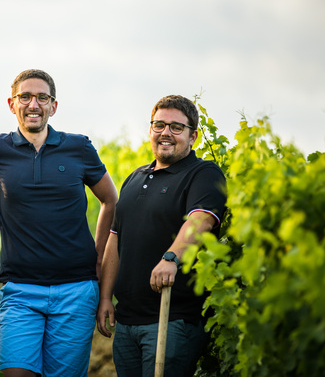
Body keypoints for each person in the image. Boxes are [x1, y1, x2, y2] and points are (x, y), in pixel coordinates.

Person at [0, 69, 118, 377]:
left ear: (54, 106)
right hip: (20, 290)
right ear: (11, 104)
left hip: (76, 290)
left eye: (42, 97)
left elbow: (111, 199)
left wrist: (97, 253)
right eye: (25, 97)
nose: (33, 104)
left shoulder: (79, 148)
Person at [96, 95, 227, 377]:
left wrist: (172, 257)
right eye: (159, 125)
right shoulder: (134, 178)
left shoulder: (203, 173)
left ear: (193, 136)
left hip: (172, 319)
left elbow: (201, 218)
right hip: (128, 321)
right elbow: (116, 239)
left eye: (176, 128)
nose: (165, 133)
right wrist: (105, 297)